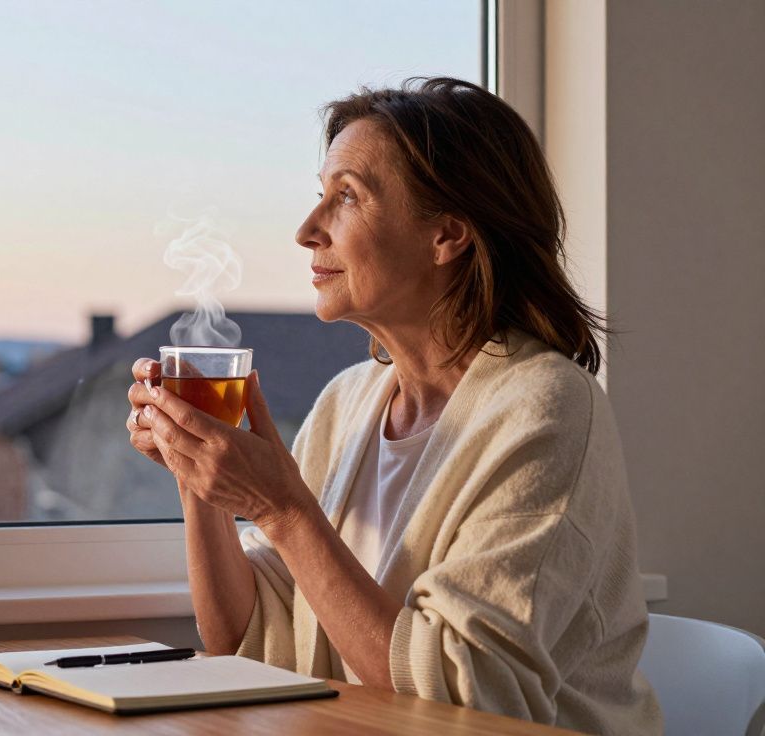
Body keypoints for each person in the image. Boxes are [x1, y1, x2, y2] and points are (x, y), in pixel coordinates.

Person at [125, 78, 661, 734]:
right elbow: (249, 637)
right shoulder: (347, 403)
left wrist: (283, 508)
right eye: (318, 196)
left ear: (448, 235)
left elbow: (467, 701)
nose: (307, 231)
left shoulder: (545, 411)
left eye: (346, 197)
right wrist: (201, 477)